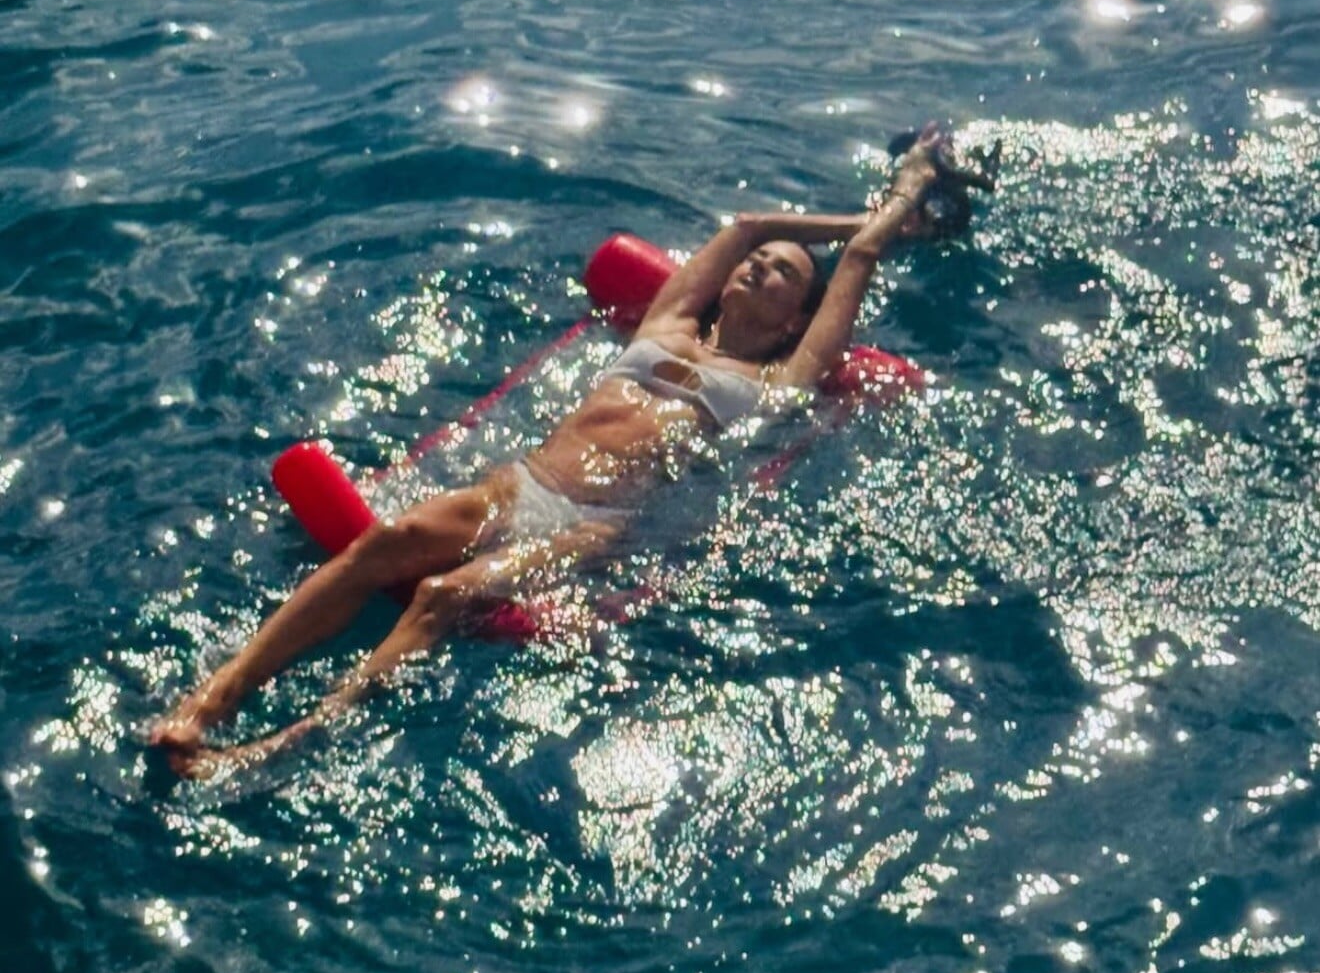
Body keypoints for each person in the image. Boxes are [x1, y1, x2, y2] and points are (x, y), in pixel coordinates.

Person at [151, 131, 967, 776]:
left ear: (796, 319)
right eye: (759, 263)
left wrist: (904, 200)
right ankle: (209, 702)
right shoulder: (670, 324)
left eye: (783, 272)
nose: (759, 263)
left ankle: (277, 747)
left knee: (441, 594)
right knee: (383, 543)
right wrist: (844, 218)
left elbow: (859, 259)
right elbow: (747, 225)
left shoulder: (777, 380)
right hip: (522, 482)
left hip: (598, 521)